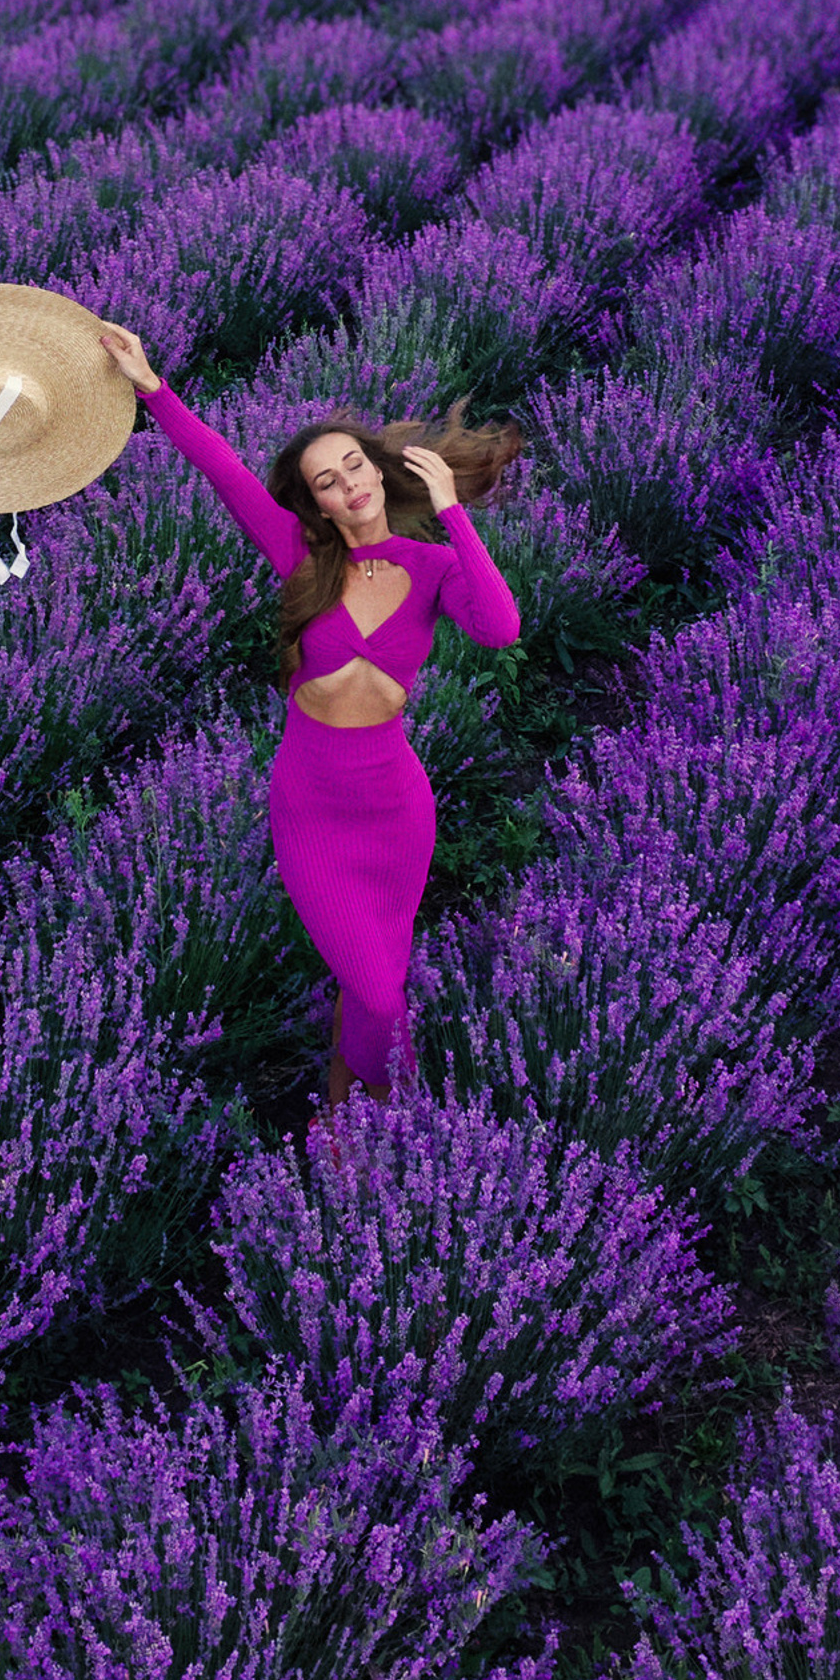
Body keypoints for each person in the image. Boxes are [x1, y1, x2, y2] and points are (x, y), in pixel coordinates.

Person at [96, 322, 523, 1120]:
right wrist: (151, 387)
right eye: (326, 480)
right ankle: (388, 1101)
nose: (347, 484)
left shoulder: (431, 567)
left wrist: (451, 514)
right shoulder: (302, 557)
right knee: (377, 990)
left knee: (375, 982)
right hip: (314, 806)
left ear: (377, 470)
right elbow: (221, 468)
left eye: (353, 464)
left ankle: (342, 1111)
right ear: (315, 502)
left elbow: (499, 627)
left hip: (395, 807)